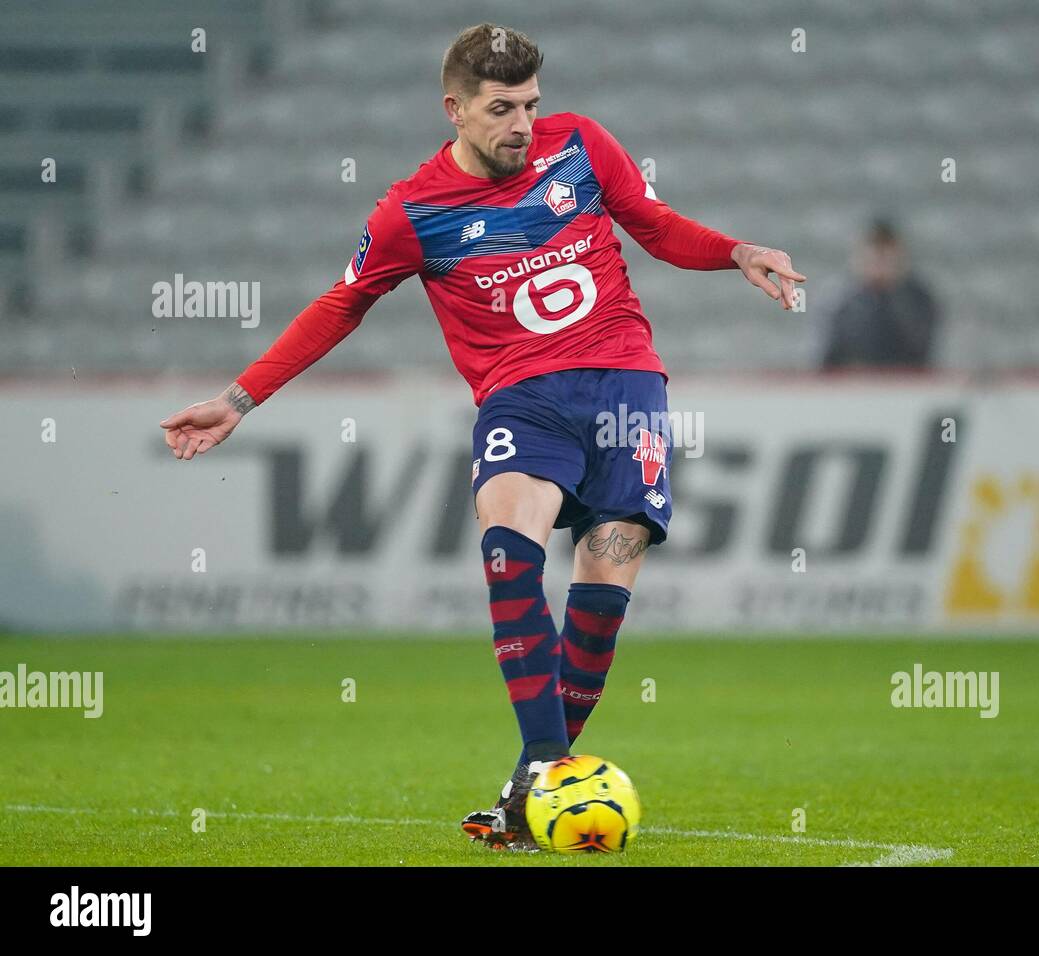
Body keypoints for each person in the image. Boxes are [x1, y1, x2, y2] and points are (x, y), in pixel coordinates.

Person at [158, 23, 804, 850]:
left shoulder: (581, 145)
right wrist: (239, 398)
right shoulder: (412, 211)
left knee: (602, 594)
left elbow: (652, 221)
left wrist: (736, 251)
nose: (522, 124)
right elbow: (340, 304)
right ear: (454, 109)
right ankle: (545, 768)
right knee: (509, 553)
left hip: (626, 387)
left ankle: (525, 791)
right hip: (521, 402)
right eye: (502, 109)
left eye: (530, 104)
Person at [820, 219, 938, 369]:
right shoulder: (839, 301)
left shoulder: (920, 299)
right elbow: (827, 356)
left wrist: (892, 293)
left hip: (904, 385)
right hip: (852, 385)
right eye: (873, 255)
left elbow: (921, 349)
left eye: (886, 256)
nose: (879, 263)